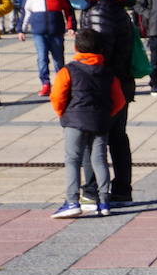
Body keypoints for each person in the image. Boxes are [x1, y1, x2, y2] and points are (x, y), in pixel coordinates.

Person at [59, 0, 138, 208]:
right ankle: (120, 190)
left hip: (105, 86)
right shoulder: (102, 6)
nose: (73, 0)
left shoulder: (100, 11)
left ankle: (93, 192)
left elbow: (98, 56)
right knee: (116, 138)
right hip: (117, 83)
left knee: (92, 137)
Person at [49, 28, 127, 219]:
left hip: (75, 121)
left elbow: (57, 96)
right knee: (99, 159)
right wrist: (107, 115)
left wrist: (63, 114)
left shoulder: (68, 70)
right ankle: (104, 201)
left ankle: (72, 202)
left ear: (76, 48)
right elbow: (119, 101)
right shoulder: (107, 72)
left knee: (72, 160)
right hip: (100, 122)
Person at [16, 0, 73, 97]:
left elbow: (68, 10)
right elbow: (26, 11)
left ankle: (61, 84)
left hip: (56, 31)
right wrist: (21, 29)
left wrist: (71, 26)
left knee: (58, 60)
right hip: (39, 32)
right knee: (42, 59)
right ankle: (45, 84)